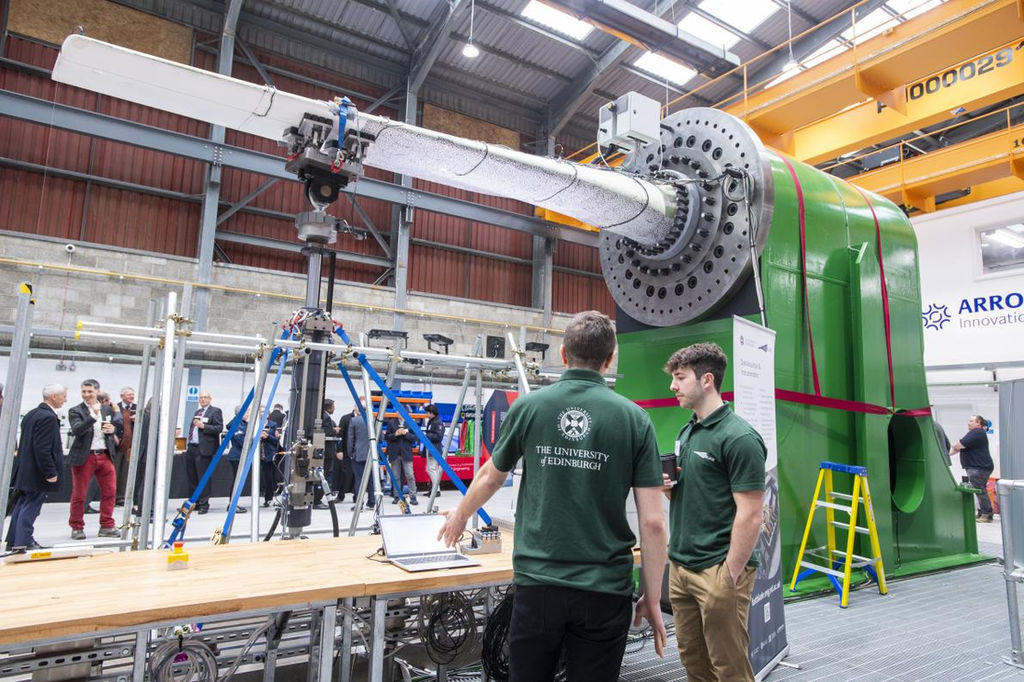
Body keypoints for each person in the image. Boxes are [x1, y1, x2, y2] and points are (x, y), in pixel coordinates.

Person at [438, 310, 668, 682]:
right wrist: (653, 598)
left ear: (563, 355)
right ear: (609, 360)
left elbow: (490, 477)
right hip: (605, 589)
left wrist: (461, 515)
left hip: (539, 586)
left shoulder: (530, 407)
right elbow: (654, 523)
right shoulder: (635, 420)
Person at [662, 342, 766, 682]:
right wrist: (669, 492)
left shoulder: (739, 438)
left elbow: (751, 514)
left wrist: (729, 576)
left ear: (707, 380)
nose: (673, 386)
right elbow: (697, 498)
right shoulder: (687, 430)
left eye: (680, 378)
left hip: (718, 571)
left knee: (730, 668)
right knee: (695, 664)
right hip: (682, 568)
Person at [4, 384, 67, 550]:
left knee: (22, 504)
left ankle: (15, 541)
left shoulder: (32, 414)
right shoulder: (48, 417)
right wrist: (50, 472)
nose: (65, 399)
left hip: (25, 470)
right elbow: (43, 448)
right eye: (63, 396)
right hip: (36, 473)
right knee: (31, 506)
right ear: (54, 397)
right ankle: (23, 541)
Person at [67, 379, 123, 539]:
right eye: (84, 391)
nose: (86, 395)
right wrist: (93, 415)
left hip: (105, 455)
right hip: (85, 457)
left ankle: (106, 525)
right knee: (79, 494)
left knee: (109, 492)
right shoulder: (75, 410)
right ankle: (77, 527)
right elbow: (77, 430)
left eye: (90, 391)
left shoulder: (107, 410)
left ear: (97, 392)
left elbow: (113, 427)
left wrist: (112, 430)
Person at [184, 390, 223, 515]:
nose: (203, 399)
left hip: (204, 449)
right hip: (192, 448)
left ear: (210, 399)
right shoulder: (197, 412)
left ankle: (204, 504)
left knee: (203, 477)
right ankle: (194, 502)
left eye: (205, 397)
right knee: (192, 477)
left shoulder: (215, 411)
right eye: (201, 397)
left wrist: (204, 426)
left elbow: (219, 428)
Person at [950, 415, 995, 522]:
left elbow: (958, 445)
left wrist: (954, 446)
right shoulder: (975, 433)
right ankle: (982, 512)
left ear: (978, 424)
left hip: (978, 467)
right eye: (968, 421)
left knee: (980, 491)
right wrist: (947, 455)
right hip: (978, 467)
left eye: (971, 421)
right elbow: (960, 447)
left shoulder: (977, 433)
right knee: (979, 490)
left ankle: (986, 514)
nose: (968, 423)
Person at [384, 415, 418, 505]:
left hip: (406, 454)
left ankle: (413, 496)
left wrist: (405, 434)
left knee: (410, 475)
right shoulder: (392, 422)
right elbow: (387, 437)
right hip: (394, 454)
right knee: (395, 477)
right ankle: (397, 496)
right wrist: (396, 434)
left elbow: (415, 438)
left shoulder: (411, 422)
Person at [347, 403, 374, 509]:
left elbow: (350, 439)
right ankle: (372, 502)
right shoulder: (373, 420)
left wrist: (350, 453)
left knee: (359, 480)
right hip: (371, 454)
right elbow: (380, 437)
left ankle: (359, 504)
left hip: (358, 454)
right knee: (371, 479)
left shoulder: (354, 421)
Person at [114, 387, 137, 506]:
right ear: (122, 396)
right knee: (115, 471)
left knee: (125, 472)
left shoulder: (137, 408)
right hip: (118, 445)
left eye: (132, 395)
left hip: (130, 446)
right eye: (129, 395)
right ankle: (112, 496)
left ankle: (121, 497)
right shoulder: (115, 408)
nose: (131, 397)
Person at [224, 407, 250, 514]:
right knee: (237, 482)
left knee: (238, 482)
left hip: (241, 455)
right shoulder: (236, 424)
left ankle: (234, 503)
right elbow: (241, 441)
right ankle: (232, 504)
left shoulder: (242, 423)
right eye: (247, 412)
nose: (249, 414)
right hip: (237, 456)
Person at [314, 399, 338, 509]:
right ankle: (317, 500)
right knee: (324, 476)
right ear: (329, 407)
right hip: (327, 452)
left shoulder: (321, 415)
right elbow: (327, 432)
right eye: (333, 406)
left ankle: (316, 499)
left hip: (322, 451)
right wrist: (335, 430)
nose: (334, 408)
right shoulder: (326, 417)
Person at [257, 408, 281, 507]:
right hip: (257, 453)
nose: (263, 413)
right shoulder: (255, 424)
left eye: (265, 412)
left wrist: (267, 436)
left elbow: (276, 440)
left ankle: (269, 497)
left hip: (269, 454)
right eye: (261, 411)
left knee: (269, 476)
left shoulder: (273, 424)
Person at [423, 403, 445, 497]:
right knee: (430, 469)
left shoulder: (438, 422)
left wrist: (426, 435)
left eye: (427, 412)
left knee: (432, 469)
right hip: (430, 448)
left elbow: (439, 437)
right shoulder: (431, 421)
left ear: (431, 413)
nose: (426, 414)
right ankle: (434, 489)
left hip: (434, 449)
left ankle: (436, 490)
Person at [335, 405, 355, 501]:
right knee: (345, 474)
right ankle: (340, 495)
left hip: (359, 451)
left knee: (358, 475)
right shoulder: (346, 418)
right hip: (347, 451)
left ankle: (357, 497)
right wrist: (339, 450)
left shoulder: (366, 418)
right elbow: (340, 435)